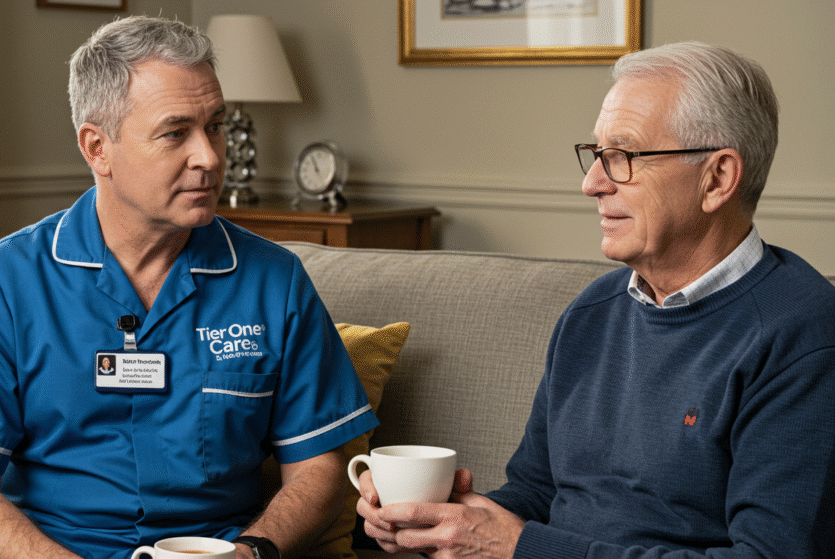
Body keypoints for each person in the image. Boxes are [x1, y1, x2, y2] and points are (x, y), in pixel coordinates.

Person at [0, 16, 379, 559]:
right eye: (176, 133)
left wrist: (252, 552)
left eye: (214, 126)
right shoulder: (4, 281)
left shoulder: (275, 281)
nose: (210, 157)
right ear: (97, 148)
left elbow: (317, 470)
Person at [354, 42, 835, 559]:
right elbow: (536, 496)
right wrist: (437, 521)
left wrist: (519, 547)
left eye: (622, 156)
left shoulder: (802, 333)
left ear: (717, 178)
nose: (591, 184)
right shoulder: (592, 312)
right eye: (596, 155)